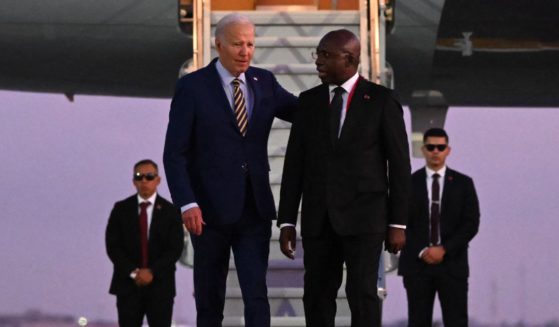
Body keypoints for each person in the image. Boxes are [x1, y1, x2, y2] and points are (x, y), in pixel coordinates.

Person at [163, 13, 297, 327]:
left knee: (256, 294)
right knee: (210, 299)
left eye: (250, 44)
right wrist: (187, 202)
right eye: (238, 44)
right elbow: (174, 153)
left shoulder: (263, 81)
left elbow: (302, 112)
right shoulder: (192, 87)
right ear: (218, 44)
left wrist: (341, 100)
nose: (245, 51)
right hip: (207, 213)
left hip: (255, 208)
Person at [277, 29, 411, 327]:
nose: (317, 61)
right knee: (316, 295)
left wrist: (398, 223)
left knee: (362, 293)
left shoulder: (381, 100)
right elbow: (294, 164)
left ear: (348, 59)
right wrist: (286, 220)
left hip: (366, 217)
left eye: (325, 54)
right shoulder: (308, 102)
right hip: (319, 218)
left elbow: (399, 166)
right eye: (317, 54)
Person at [398, 128, 480, 327]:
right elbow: (399, 222)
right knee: (418, 321)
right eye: (431, 147)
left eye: (440, 147)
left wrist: (444, 249)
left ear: (447, 150)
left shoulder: (463, 184)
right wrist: (423, 250)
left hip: (452, 265)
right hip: (417, 266)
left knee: (456, 321)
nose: (436, 151)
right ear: (423, 149)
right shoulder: (408, 183)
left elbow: (471, 223)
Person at [105, 159, 184, 327]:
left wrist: (152, 272)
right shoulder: (121, 209)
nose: (144, 181)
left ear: (158, 180)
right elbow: (113, 246)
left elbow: (175, 248)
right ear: (133, 180)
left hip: (161, 285)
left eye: (149, 176)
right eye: (139, 177)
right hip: (128, 285)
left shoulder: (171, 212)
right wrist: (134, 273)